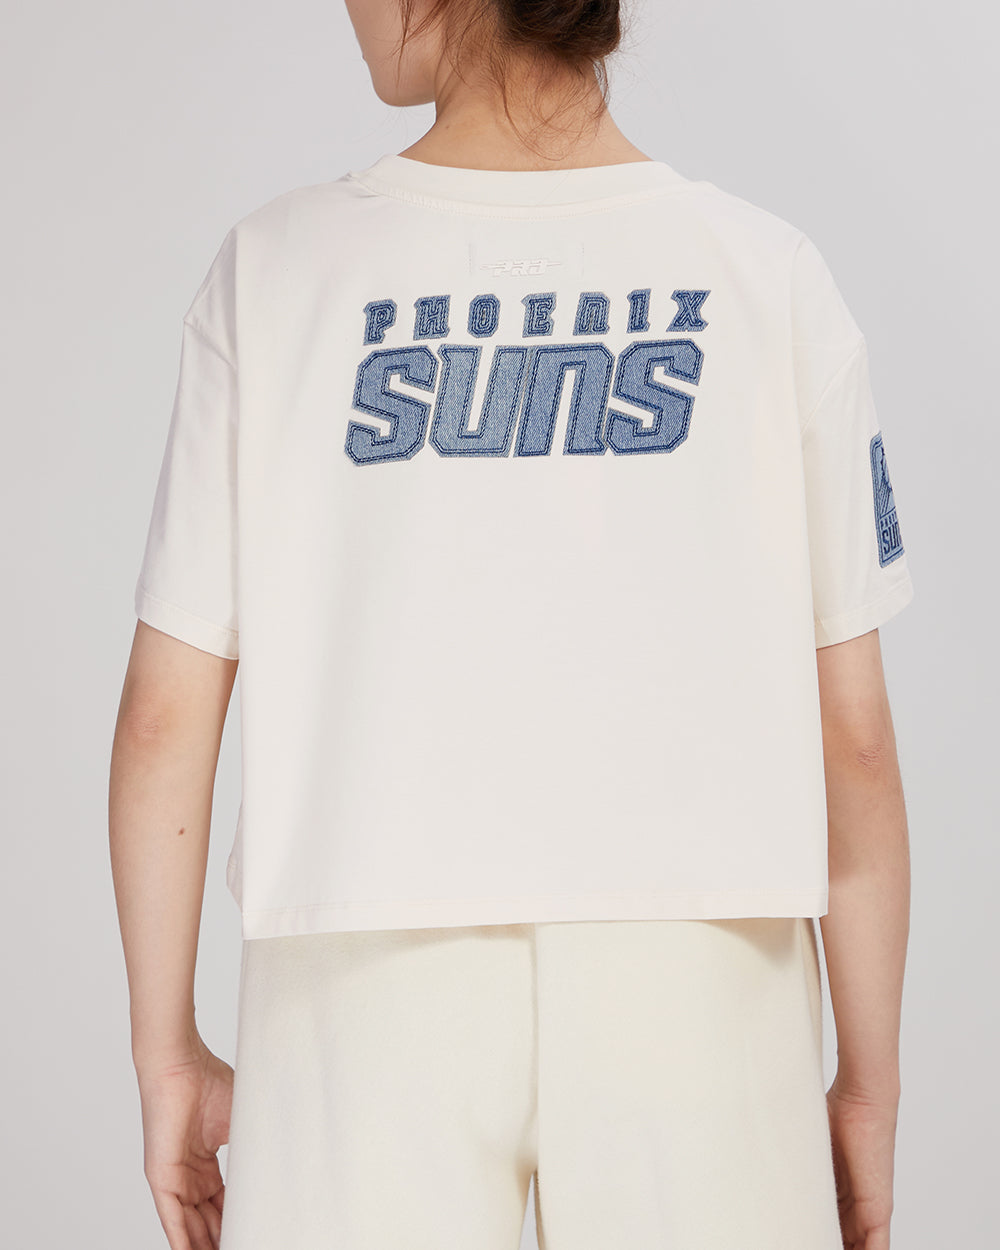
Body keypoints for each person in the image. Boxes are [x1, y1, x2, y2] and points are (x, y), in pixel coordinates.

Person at [109, 1, 914, 1247]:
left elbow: (165, 715)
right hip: (705, 969)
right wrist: (866, 1080)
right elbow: (852, 739)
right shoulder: (767, 273)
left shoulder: (273, 270)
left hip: (359, 979)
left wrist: (167, 1049)